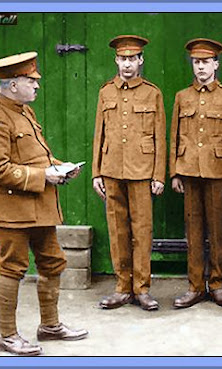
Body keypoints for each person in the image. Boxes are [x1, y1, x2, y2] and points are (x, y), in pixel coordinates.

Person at [0, 51, 88, 356]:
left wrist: (60, 167)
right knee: (12, 267)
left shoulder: (24, 111)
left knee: (53, 261)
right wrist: (43, 175)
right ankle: (7, 336)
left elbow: (35, 155)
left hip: (38, 206)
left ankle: (50, 325)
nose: (37, 85)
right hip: (12, 211)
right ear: (13, 85)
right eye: (30, 80)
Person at [92, 35, 166, 311]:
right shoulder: (106, 92)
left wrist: (159, 175)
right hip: (112, 169)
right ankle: (122, 287)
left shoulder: (152, 93)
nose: (127, 64)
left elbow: (160, 136)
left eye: (132, 59)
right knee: (117, 230)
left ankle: (142, 289)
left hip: (142, 171)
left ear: (140, 61)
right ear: (116, 60)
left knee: (142, 231)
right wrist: (96, 172)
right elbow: (99, 134)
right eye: (122, 59)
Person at [169, 38, 222, 308]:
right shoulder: (182, 97)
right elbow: (174, 136)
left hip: (217, 173)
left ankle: (217, 284)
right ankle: (195, 286)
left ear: (216, 65)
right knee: (194, 231)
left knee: (216, 230)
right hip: (189, 171)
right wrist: (175, 172)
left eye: (206, 62)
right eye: (196, 63)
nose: (201, 68)